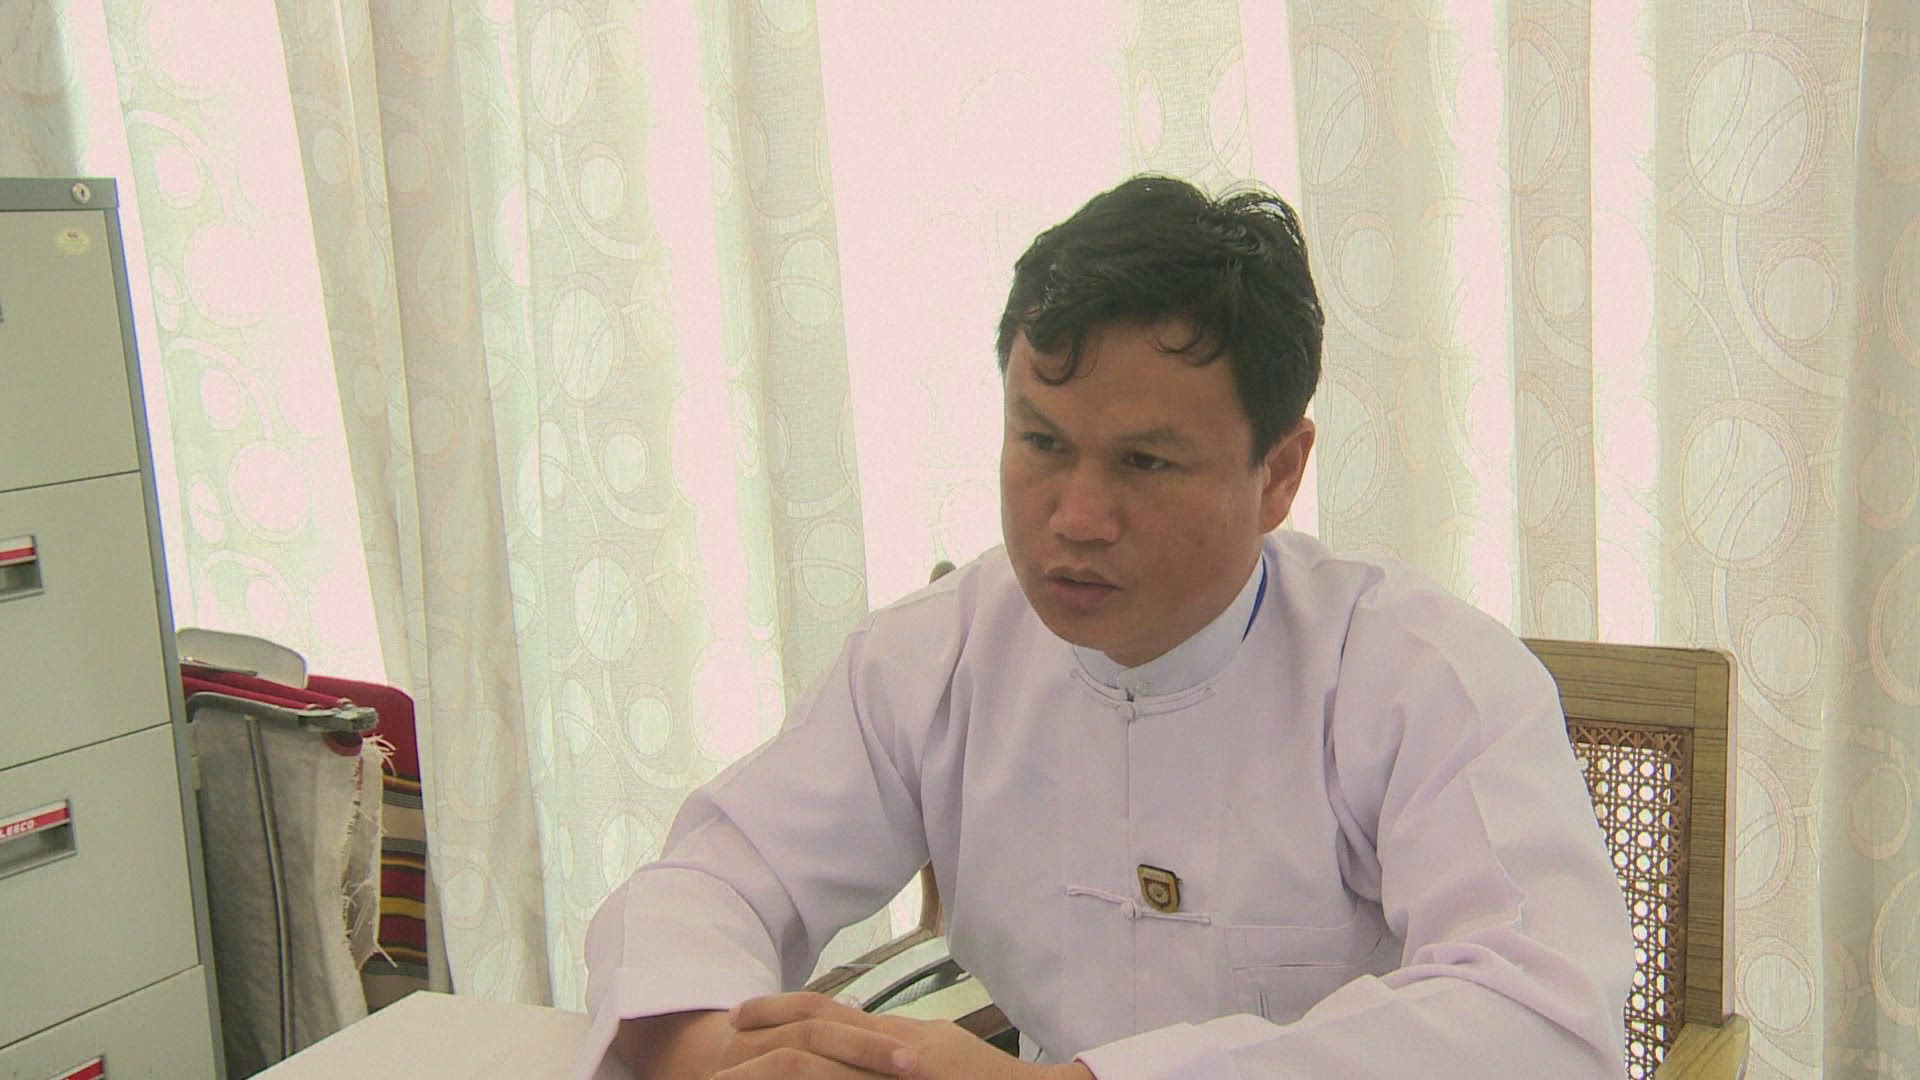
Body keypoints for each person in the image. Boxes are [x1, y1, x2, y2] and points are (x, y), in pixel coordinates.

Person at [574, 175, 1635, 1080]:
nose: (1075, 519)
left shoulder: (1420, 677)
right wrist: (713, 1051)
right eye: (1041, 443)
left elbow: (1543, 1018)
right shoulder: (941, 652)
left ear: (1279, 473)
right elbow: (710, 882)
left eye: (1144, 462)